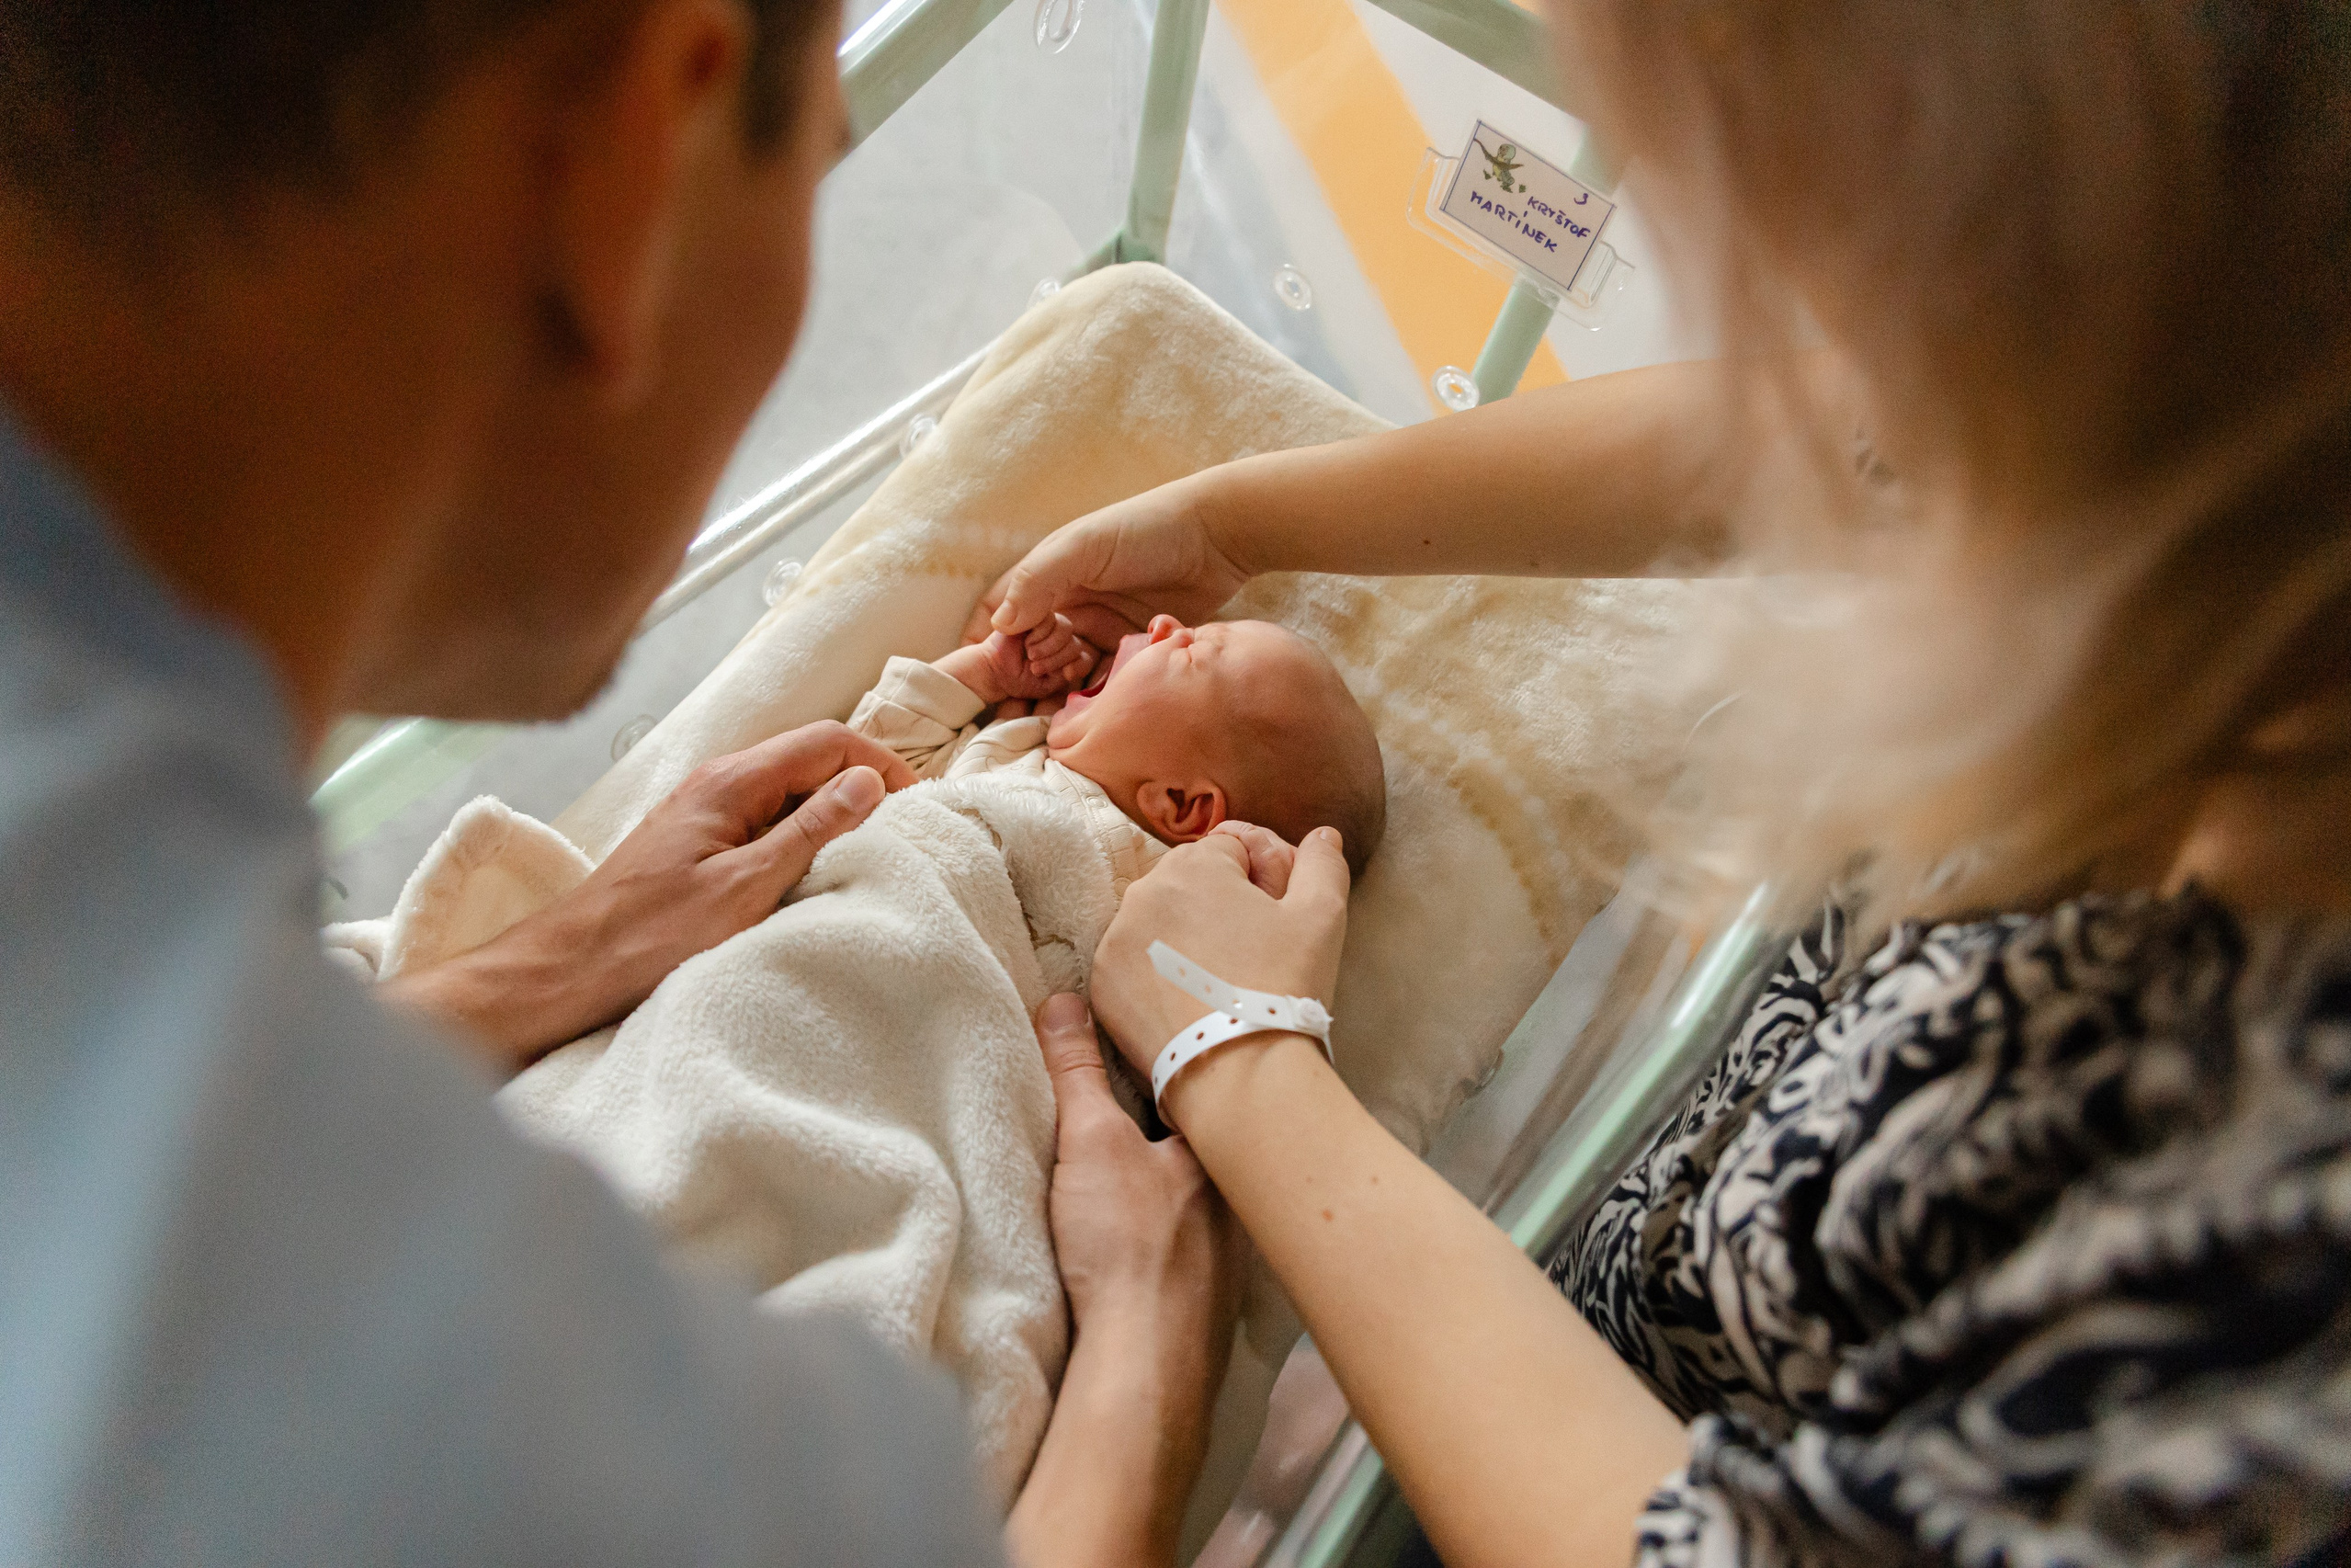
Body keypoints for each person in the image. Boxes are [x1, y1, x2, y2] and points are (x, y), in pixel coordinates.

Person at [979, 2, 2351, 1563]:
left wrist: (1248, 1071)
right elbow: (1839, 429)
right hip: (1650, 1295)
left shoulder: (2276, 1366)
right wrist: (1232, 521)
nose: (1822, 361)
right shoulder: (2170, 408)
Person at [0, 1, 1233, 1563]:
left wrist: (568, 952)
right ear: (637, 154)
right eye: (823, 166)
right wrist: (1147, 1323)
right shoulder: (503, 1426)